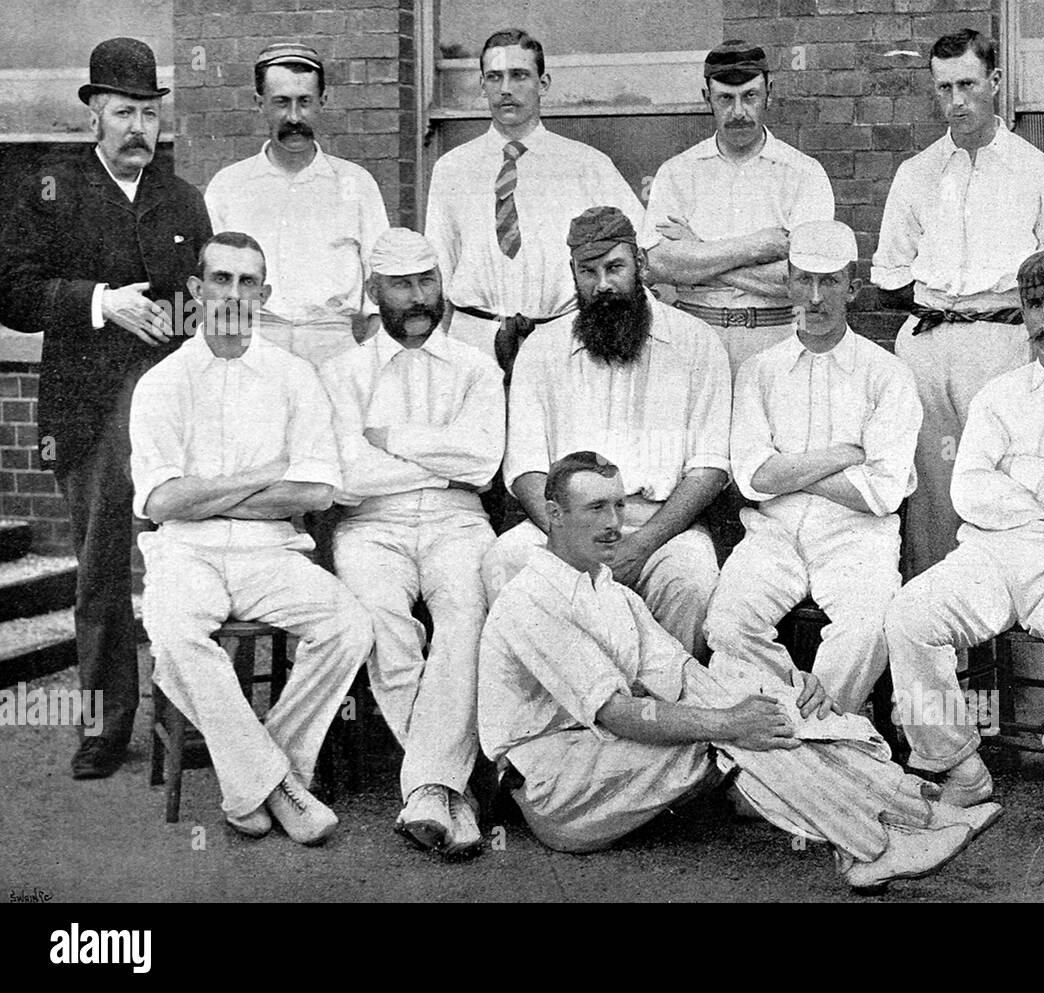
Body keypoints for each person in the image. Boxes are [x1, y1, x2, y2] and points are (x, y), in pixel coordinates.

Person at [478, 451, 1003, 891]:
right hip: (555, 788)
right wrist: (731, 722)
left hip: (604, 756)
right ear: (554, 513)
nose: (615, 523)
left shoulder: (607, 591)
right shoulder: (532, 600)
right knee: (723, 739)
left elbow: (686, 675)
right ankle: (871, 847)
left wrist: (782, 688)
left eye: (618, 505)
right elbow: (616, 715)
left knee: (763, 710)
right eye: (596, 508)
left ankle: (915, 809)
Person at [885, 248, 1044, 856]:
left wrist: (1023, 469)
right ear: (1024, 313)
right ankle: (959, 766)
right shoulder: (998, 394)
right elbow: (971, 493)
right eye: (1036, 306)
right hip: (992, 551)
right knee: (908, 616)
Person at [0, 37, 213, 779]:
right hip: (85, 408)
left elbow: (206, 300)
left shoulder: (183, 200)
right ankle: (103, 724)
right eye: (122, 112)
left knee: (182, 558)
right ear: (94, 114)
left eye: (149, 114)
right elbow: (14, 294)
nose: (137, 129)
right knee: (100, 569)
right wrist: (100, 303)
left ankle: (188, 719)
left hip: (171, 406)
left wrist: (176, 319)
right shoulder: (50, 191)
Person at [130, 232, 372, 844]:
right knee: (176, 632)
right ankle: (282, 787)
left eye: (247, 282)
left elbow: (316, 492)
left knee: (349, 624)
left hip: (271, 551)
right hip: (185, 550)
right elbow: (160, 502)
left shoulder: (294, 377)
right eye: (220, 279)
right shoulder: (162, 382)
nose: (233, 293)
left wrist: (208, 489)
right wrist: (265, 475)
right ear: (196, 289)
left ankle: (263, 774)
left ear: (263, 294)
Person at [871, 28, 1044, 581]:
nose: (956, 101)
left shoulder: (1037, 170)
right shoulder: (916, 173)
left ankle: (1015, 635)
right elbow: (888, 277)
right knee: (932, 492)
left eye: (967, 84)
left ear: (994, 82)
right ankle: (938, 642)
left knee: (1008, 484)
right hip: (929, 344)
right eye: (943, 88)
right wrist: (944, 311)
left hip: (1007, 345)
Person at [319, 229, 504, 856]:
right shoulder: (341, 373)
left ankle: (426, 789)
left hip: (458, 517)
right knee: (381, 620)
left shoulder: (479, 367)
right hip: (371, 524)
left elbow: (482, 463)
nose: (420, 296)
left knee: (465, 617)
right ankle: (447, 789)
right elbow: (345, 476)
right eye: (403, 284)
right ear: (374, 292)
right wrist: (439, 455)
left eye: (429, 281)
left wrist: (390, 436)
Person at [480, 206, 730, 659]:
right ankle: (551, 715)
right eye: (588, 272)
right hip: (566, 526)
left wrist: (640, 544)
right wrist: (574, 541)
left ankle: (672, 718)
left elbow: (709, 469)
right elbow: (526, 471)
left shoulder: (696, 343)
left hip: (660, 526)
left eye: (615, 268)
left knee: (691, 578)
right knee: (506, 559)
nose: (603, 285)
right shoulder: (543, 349)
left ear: (641, 264)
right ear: (573, 275)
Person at [705, 221, 921, 714]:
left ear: (853, 287)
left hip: (856, 537)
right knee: (727, 623)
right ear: (788, 283)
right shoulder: (761, 370)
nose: (816, 297)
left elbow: (882, 494)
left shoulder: (887, 375)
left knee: (867, 627)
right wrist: (845, 455)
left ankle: (820, 737)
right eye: (804, 280)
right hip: (772, 534)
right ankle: (790, 718)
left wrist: (792, 471)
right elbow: (755, 478)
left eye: (829, 282)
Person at [423, 28, 644, 381]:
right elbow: (439, 266)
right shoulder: (452, 168)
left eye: (519, 75)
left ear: (543, 83)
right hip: (473, 338)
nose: (505, 88)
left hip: (561, 337)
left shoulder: (586, 165)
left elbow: (637, 252)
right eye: (494, 77)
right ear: (482, 86)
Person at [641, 40, 834, 377]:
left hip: (777, 338)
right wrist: (757, 246)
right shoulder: (677, 172)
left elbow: (802, 279)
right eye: (725, 99)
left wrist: (697, 253)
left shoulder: (805, 173)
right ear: (707, 99)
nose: (739, 112)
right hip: (695, 337)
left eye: (750, 96)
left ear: (769, 93)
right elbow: (657, 264)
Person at [204, 43, 390, 369]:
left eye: (305, 102)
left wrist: (363, 356)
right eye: (281, 103)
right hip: (254, 344)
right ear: (258, 103)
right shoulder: (228, 186)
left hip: (336, 348)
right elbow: (211, 286)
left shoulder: (356, 183)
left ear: (323, 102)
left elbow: (381, 283)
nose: (294, 117)